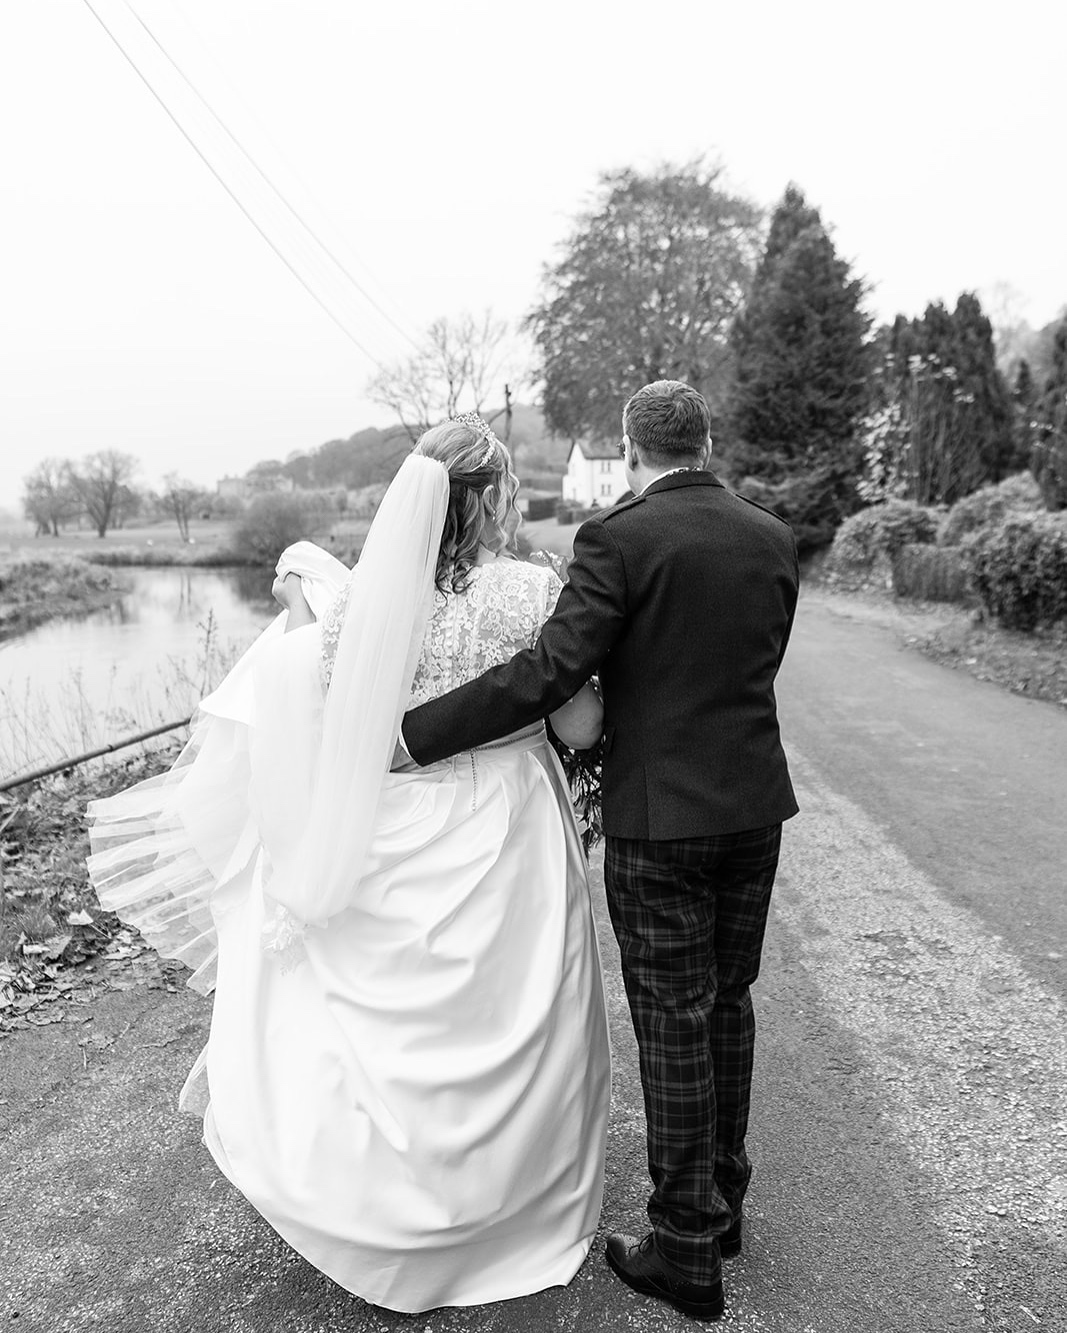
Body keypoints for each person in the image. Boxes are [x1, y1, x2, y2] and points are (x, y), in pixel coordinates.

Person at [86, 416, 611, 1314]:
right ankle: (507, 1215)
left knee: (393, 1025)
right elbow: (579, 728)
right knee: (515, 1006)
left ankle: (378, 1209)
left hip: (395, 820)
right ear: (488, 501)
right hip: (505, 822)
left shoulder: (367, 598)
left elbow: (336, 717)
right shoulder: (529, 590)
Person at [401, 381, 800, 1322]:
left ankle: (684, 1247)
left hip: (660, 817)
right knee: (727, 1002)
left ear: (630, 449)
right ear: (706, 439)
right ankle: (721, 1202)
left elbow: (550, 672)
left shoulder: (615, 540)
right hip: (751, 807)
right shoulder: (773, 536)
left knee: (671, 1015)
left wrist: (417, 735)